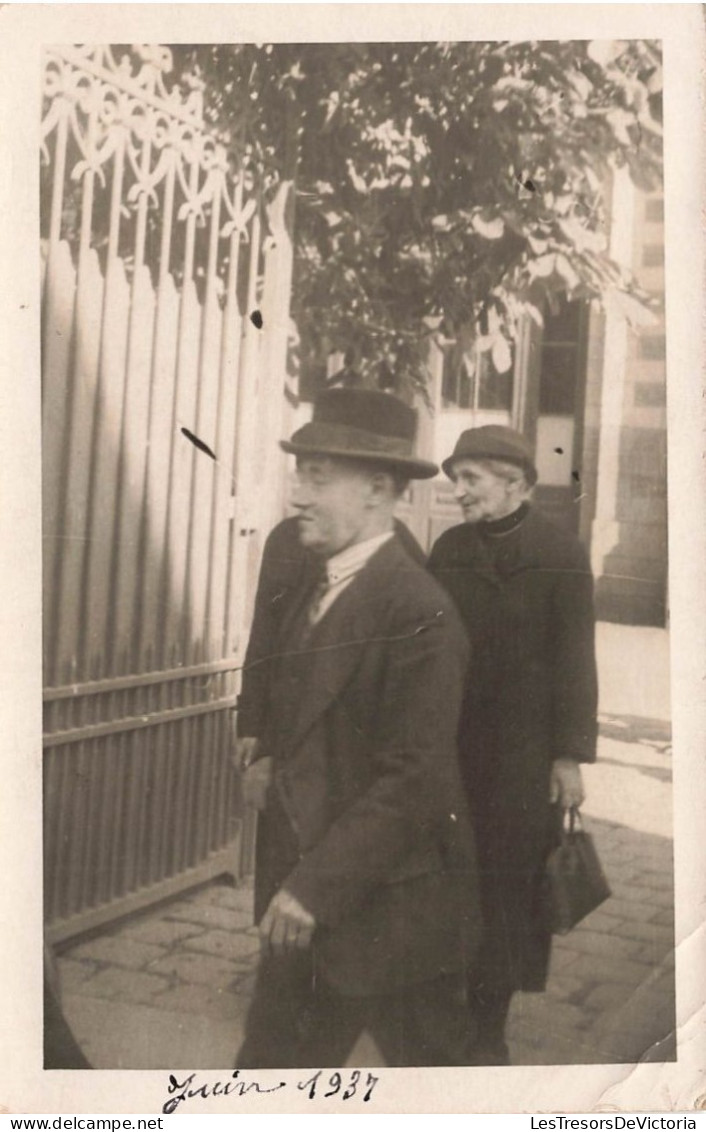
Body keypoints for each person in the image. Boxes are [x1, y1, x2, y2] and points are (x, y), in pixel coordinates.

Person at [235, 388, 482, 1068]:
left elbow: (416, 778)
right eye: (299, 474)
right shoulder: (318, 588)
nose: (296, 496)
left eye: (317, 477)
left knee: (454, 1090)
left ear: (378, 489)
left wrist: (315, 888)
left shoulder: (419, 611)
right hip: (320, 912)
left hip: (385, 914)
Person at [428, 425, 598, 1065]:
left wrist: (569, 755)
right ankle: (444, 1007)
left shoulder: (559, 552)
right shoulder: (447, 549)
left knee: (507, 889)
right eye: (456, 479)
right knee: (449, 879)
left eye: (471, 479)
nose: (459, 492)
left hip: (524, 760)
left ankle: (487, 1029)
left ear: (516, 484)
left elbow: (576, 658)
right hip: (452, 748)